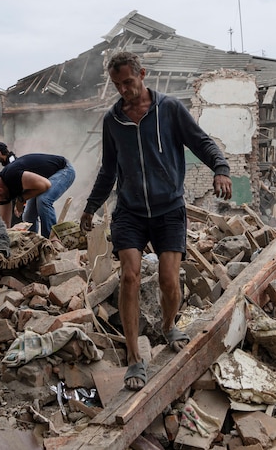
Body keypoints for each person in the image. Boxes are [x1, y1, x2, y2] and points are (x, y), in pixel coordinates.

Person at [80, 51, 232, 392]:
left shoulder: (170, 109)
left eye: (128, 82)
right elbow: (108, 170)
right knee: (130, 276)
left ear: (142, 75)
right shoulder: (112, 121)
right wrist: (91, 206)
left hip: (169, 209)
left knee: (168, 279)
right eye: (117, 85)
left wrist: (221, 169)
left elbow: (201, 142)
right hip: (130, 211)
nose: (123, 90)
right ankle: (134, 358)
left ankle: (168, 325)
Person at [0, 153, 75, 237]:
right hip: (43, 181)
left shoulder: (13, 175)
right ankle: (32, 242)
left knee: (43, 200)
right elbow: (5, 223)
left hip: (64, 170)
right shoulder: (2, 190)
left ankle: (49, 241)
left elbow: (46, 185)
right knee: (28, 216)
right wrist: (4, 238)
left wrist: (21, 199)